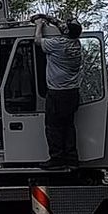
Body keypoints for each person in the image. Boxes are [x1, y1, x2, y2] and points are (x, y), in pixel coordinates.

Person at [34, 15, 84, 167]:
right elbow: (61, 25)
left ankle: (56, 158)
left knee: (53, 126)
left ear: (66, 31)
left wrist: (39, 25)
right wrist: (45, 17)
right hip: (72, 92)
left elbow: (37, 41)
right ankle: (71, 158)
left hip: (58, 93)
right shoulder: (76, 43)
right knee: (68, 126)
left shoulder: (58, 44)